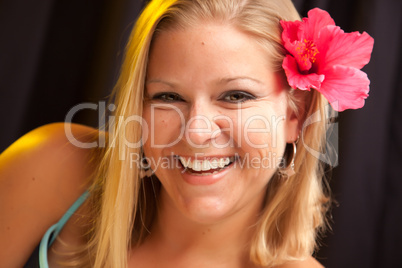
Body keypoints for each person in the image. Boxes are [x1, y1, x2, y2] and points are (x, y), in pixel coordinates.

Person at [0, 0, 374, 267]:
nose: (196, 131)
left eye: (235, 96)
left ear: (298, 114)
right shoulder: (52, 166)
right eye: (168, 96)